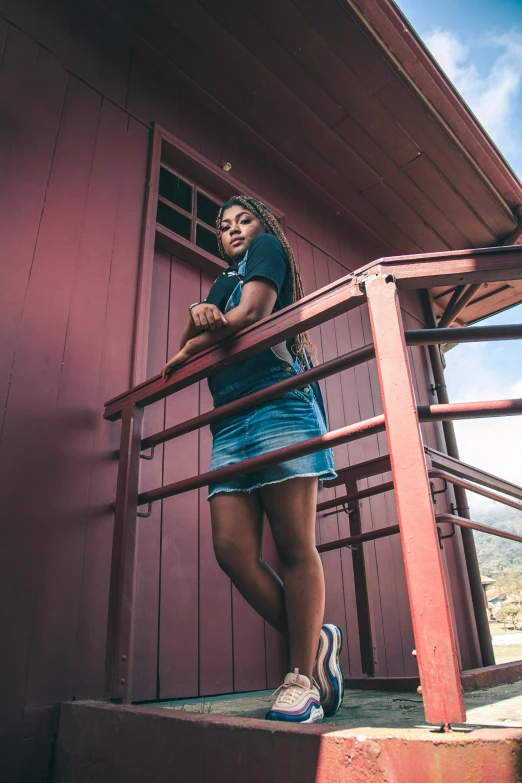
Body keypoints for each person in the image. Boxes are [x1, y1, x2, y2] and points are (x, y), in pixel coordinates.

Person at [162, 195, 344, 723]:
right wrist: (198, 320)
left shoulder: (268, 251)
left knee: (292, 543)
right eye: (224, 226)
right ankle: (316, 638)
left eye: (245, 219)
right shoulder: (223, 280)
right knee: (232, 550)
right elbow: (194, 337)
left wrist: (194, 343)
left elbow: (253, 314)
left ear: (263, 227)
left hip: (279, 401)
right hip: (230, 416)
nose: (235, 229)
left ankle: (301, 680)